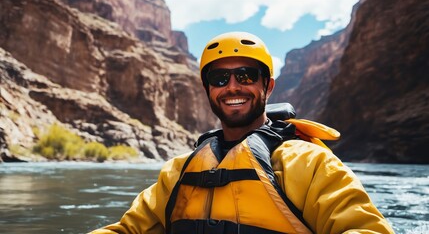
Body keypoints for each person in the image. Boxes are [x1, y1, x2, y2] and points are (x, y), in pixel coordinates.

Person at [90, 32, 394, 234]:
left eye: (246, 75)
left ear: (268, 86)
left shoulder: (310, 163)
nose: (232, 87)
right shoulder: (178, 171)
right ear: (208, 90)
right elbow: (127, 230)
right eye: (220, 78)